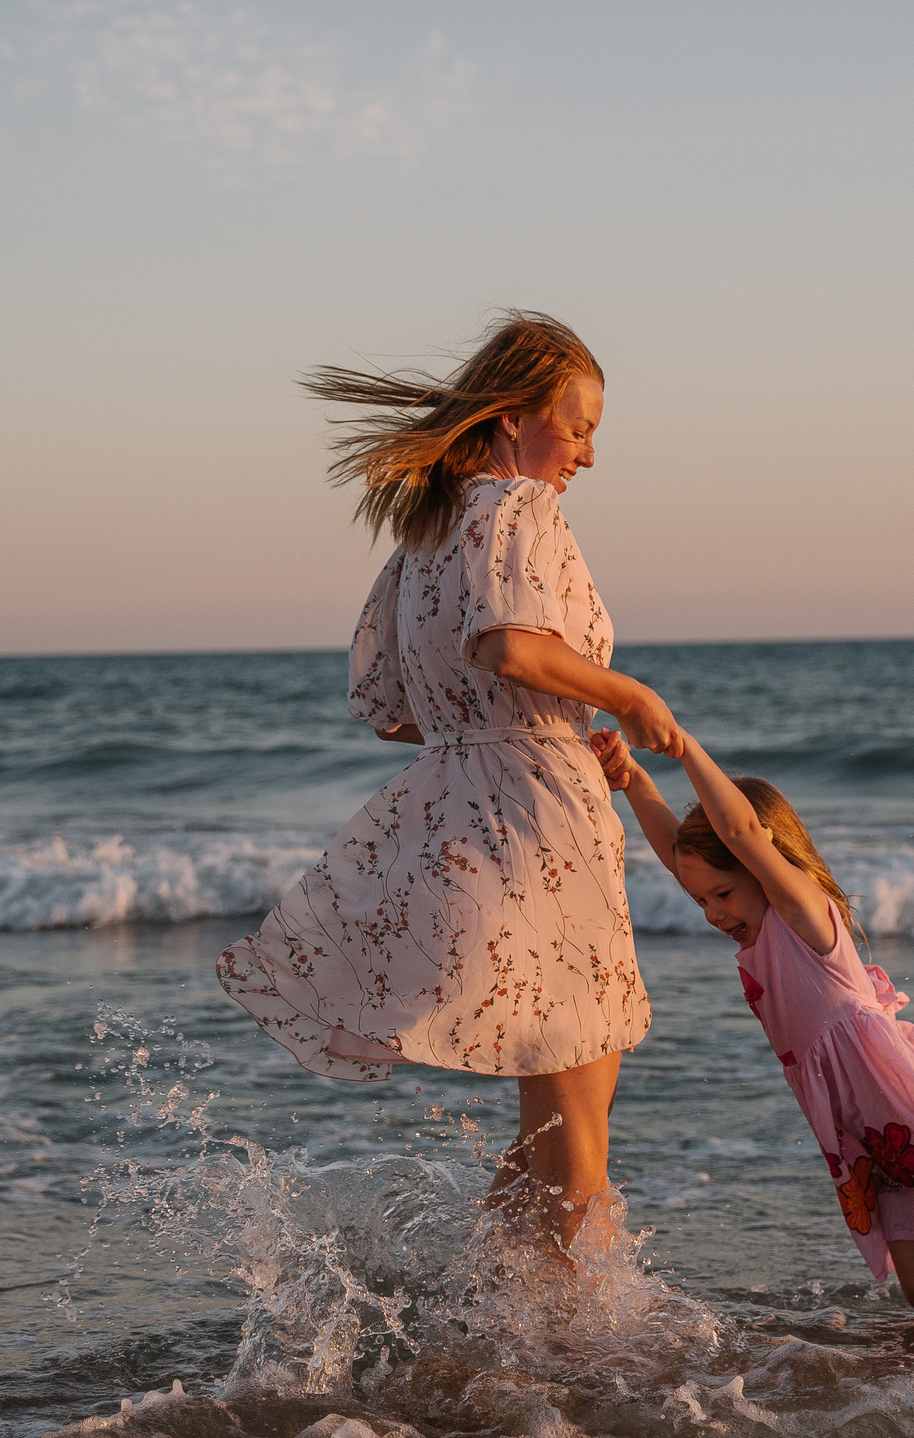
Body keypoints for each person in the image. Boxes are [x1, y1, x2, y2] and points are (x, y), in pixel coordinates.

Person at [216, 312, 686, 1254]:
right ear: (514, 417)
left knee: (551, 1125)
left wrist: (510, 724)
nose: (588, 455)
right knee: (578, 1129)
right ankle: (580, 1348)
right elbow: (509, 644)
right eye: (580, 427)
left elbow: (392, 707)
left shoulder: (421, 542)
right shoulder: (517, 509)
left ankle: (498, 1320)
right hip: (544, 823)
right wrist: (622, 694)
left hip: (473, 811)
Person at [594, 729, 914, 1315]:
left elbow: (742, 832)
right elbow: (684, 855)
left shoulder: (804, 919)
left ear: (763, 863)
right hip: (873, 1138)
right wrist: (633, 781)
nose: (712, 914)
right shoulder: (752, 927)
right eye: (703, 902)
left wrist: (680, 748)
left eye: (722, 893)